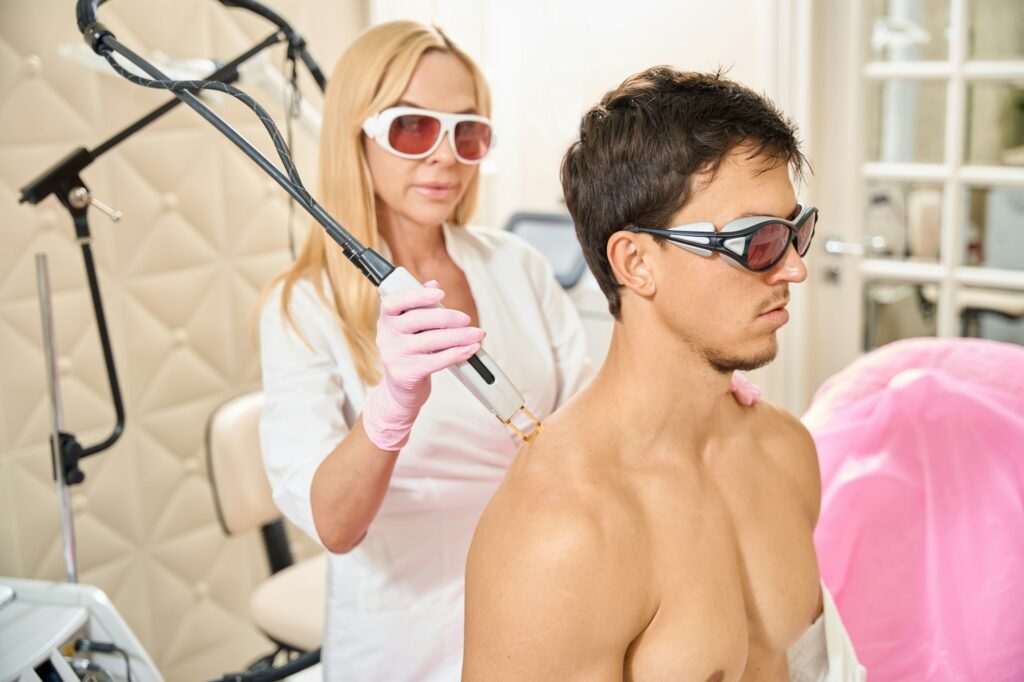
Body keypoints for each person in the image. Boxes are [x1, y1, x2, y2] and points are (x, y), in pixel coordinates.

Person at [259, 22, 759, 680]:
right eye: (414, 128)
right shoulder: (302, 307)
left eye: (467, 133)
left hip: (551, 610)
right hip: (407, 640)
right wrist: (390, 407)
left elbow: (593, 426)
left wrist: (688, 395)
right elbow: (335, 525)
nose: (446, 157)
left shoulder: (517, 266)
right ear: (355, 134)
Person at [464, 67, 865, 681]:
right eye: (757, 242)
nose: (793, 271)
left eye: (795, 231)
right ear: (636, 263)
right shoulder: (561, 534)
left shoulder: (784, 450)